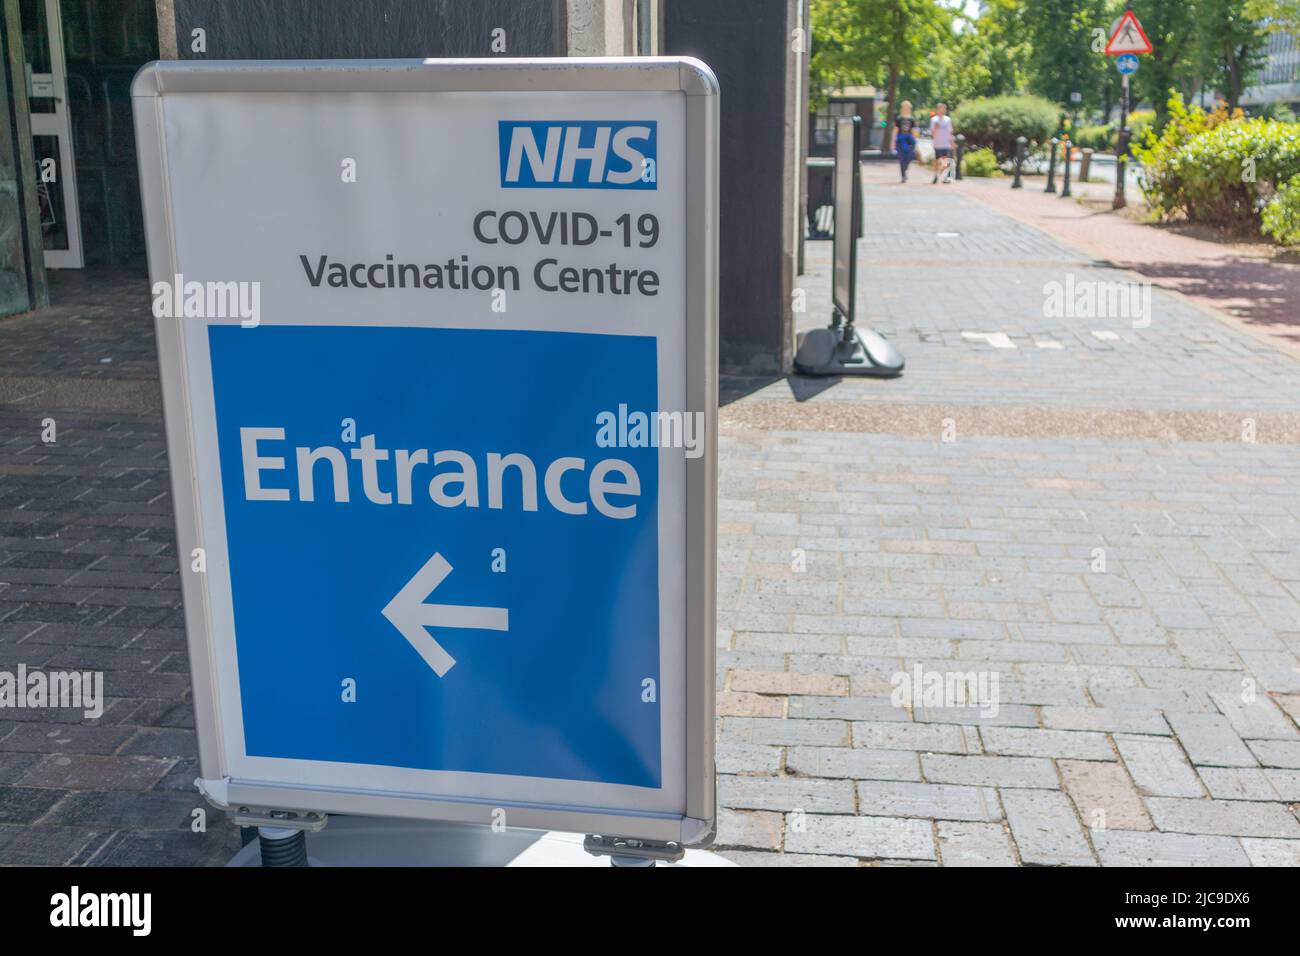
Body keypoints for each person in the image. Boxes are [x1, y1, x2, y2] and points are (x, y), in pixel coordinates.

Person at [930, 102, 954, 184]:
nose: (942, 110)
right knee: (937, 161)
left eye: (944, 109)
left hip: (946, 144)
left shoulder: (948, 119)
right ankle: (936, 176)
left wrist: (952, 142)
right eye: (941, 108)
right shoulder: (934, 120)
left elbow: (950, 132)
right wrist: (936, 128)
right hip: (937, 144)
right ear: (937, 109)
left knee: (945, 162)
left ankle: (942, 176)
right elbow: (932, 134)